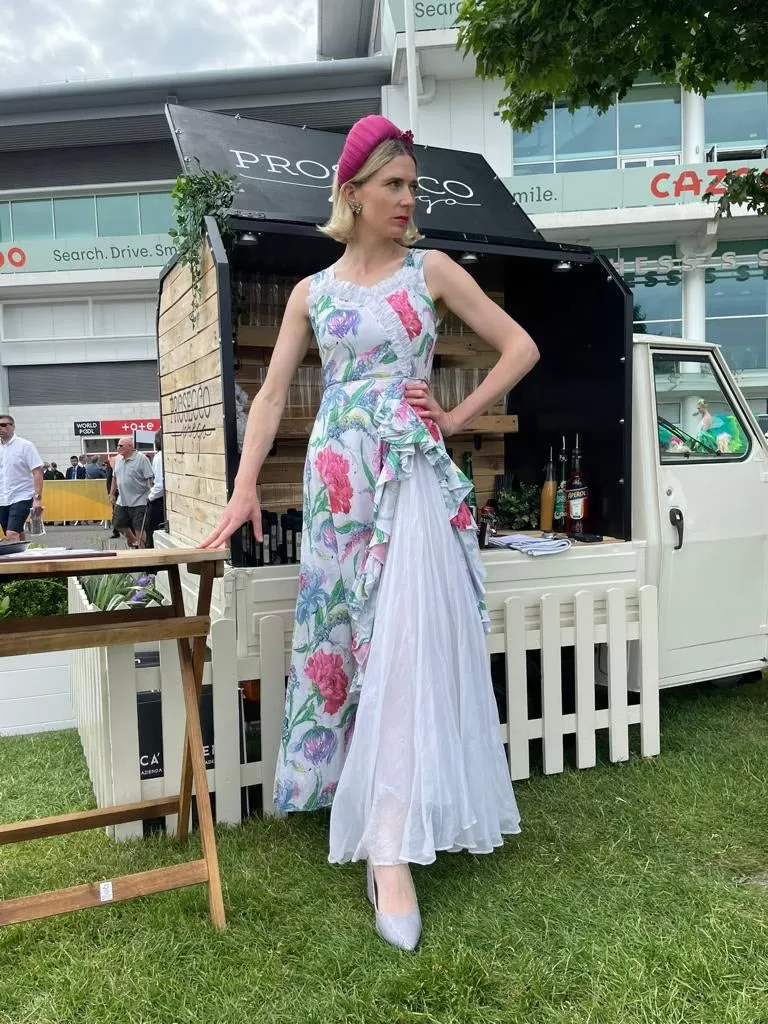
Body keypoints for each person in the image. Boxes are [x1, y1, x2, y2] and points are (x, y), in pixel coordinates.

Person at [201, 115, 539, 951]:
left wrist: (455, 415)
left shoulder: (431, 270)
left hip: (410, 477)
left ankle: (389, 850)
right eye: (395, 184)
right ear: (351, 193)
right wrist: (245, 489)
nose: (408, 199)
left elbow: (520, 345)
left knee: (405, 644)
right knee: (350, 644)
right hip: (335, 480)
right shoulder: (312, 293)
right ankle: (374, 807)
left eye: (413, 186)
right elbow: (274, 396)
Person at [0, 414, 44, 542]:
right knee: (17, 531)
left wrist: (37, 498)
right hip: (2, 498)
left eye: (4, 425)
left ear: (13, 427)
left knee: (11, 533)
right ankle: (25, 554)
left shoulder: (25, 445)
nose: (1, 428)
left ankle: (15, 561)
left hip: (21, 496)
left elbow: (37, 472)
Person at [109, 436, 155, 548]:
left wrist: (151, 495)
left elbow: (150, 478)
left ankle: (142, 550)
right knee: (118, 523)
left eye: (121, 445)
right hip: (122, 499)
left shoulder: (141, 459)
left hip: (140, 499)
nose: (118, 448)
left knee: (139, 527)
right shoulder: (117, 459)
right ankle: (133, 539)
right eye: (118, 445)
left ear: (130, 446)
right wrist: (111, 493)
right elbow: (114, 477)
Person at [145, 431, 165, 548]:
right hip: (164, 498)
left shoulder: (159, 457)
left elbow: (160, 484)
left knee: (152, 531)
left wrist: (150, 497)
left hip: (158, 499)